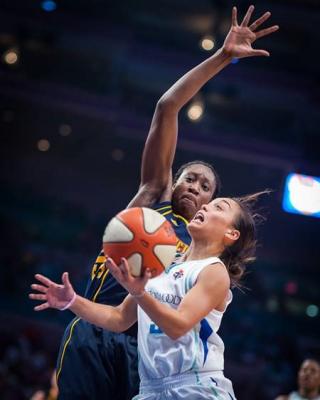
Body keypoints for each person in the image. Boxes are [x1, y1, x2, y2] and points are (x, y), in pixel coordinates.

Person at [53, 5, 279, 399]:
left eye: (205, 186)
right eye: (188, 177)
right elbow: (166, 107)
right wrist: (223, 56)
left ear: (213, 201)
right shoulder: (153, 197)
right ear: (173, 181)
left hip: (148, 352)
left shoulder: (204, 256)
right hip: (97, 328)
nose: (194, 187)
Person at [30, 191, 267, 399]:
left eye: (218, 207)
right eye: (210, 203)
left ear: (231, 234)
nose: (205, 205)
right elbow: (119, 318)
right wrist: (71, 301)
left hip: (196, 387)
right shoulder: (162, 266)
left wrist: (139, 292)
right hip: (150, 389)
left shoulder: (214, 271)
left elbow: (178, 325)